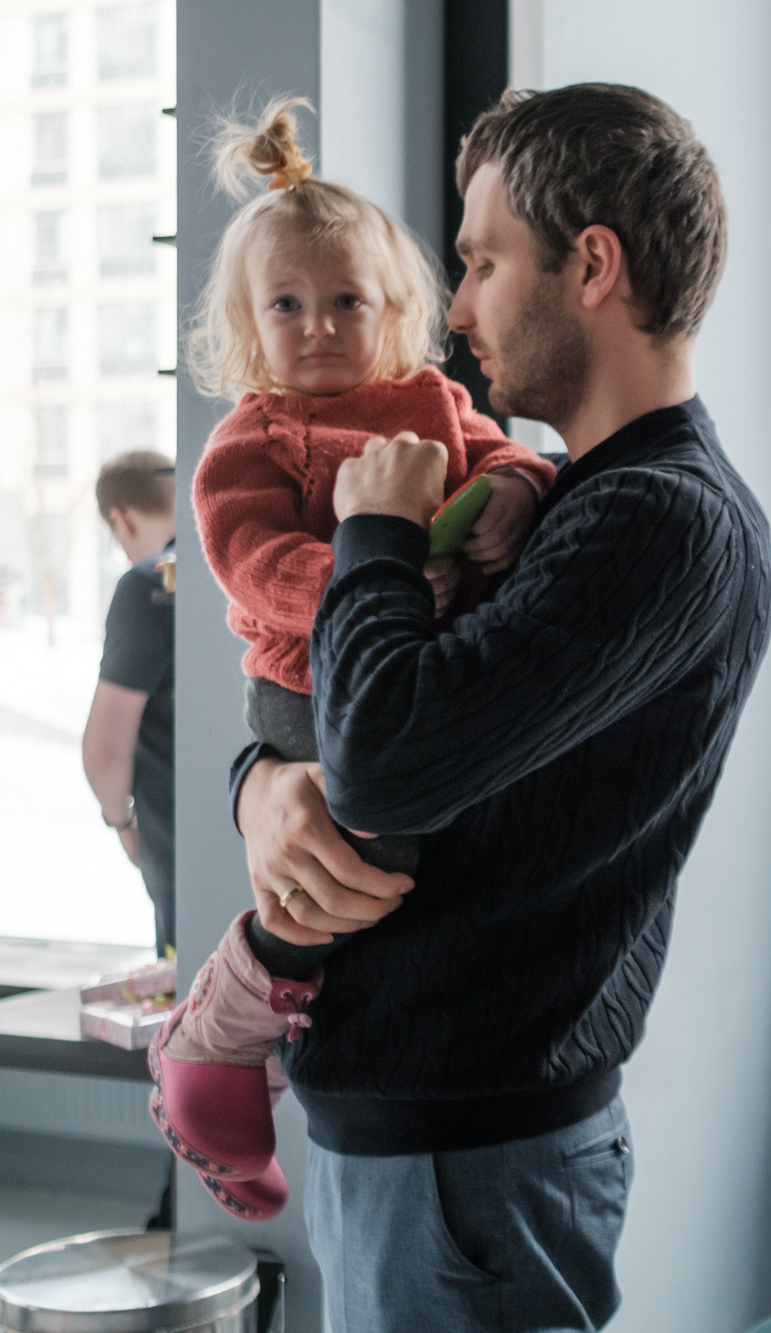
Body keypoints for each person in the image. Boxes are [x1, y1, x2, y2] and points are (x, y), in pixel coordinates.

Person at [221, 84, 769, 1332]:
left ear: (590, 265)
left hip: (464, 1161)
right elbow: (361, 717)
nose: (453, 308)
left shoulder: (658, 521)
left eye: (477, 260)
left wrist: (369, 524)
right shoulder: (572, 497)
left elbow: (387, 763)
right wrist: (257, 786)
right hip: (435, 1150)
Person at [148, 97, 559, 1223]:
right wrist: (361, 572)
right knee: (364, 833)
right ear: (246, 322)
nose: (318, 326)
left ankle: (273, 1016)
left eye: (345, 302)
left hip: (405, 670)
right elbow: (245, 554)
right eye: (286, 306)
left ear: (394, 312)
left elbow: (511, 461)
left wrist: (514, 494)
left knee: (389, 860)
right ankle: (233, 1010)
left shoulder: (432, 398)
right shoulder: (259, 434)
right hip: (299, 685)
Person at [83, 450, 178, 958]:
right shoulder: (235, 562)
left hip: (182, 849)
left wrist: (121, 821)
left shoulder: (149, 584)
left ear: (121, 519)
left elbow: (104, 750)